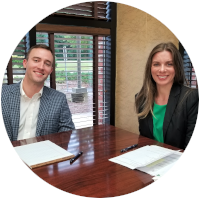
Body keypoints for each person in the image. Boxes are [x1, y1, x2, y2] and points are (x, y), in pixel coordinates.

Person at [1, 44, 75, 141]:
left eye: (47, 64)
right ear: (25, 63)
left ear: (51, 70)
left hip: (44, 154)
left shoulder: (59, 99)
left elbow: (67, 132)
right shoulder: (3, 94)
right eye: (36, 60)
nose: (41, 67)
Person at [135, 42, 198, 149]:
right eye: (156, 64)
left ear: (177, 67)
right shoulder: (141, 98)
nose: (162, 69)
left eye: (169, 64)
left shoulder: (191, 97)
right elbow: (144, 140)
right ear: (150, 68)